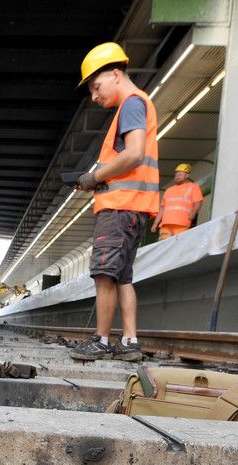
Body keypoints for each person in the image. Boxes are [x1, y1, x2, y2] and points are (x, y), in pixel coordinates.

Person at [68, 41, 158, 363]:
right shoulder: (138, 104)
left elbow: (133, 154)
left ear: (116, 74)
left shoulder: (132, 104)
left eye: (96, 86)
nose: (94, 96)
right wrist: (98, 181)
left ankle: (102, 340)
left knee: (104, 273)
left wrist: (95, 176)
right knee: (123, 277)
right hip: (133, 208)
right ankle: (130, 341)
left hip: (119, 209)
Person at [152, 163, 203, 239]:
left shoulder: (193, 187)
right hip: (165, 224)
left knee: (178, 244)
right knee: (164, 244)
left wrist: (193, 213)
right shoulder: (169, 190)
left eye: (180, 175)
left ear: (187, 175)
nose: (177, 177)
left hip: (182, 224)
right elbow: (162, 208)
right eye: (176, 175)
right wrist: (155, 223)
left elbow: (198, 202)